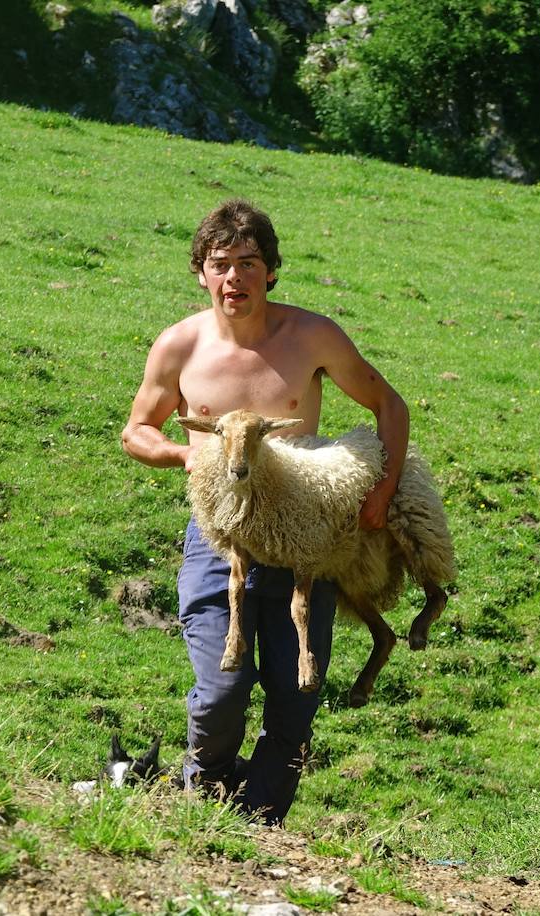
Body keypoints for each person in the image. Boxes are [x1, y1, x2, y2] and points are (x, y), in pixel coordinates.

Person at [120, 198, 409, 825]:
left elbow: (389, 406)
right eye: (221, 264)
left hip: (306, 540)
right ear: (201, 272)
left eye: (249, 263)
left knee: (294, 699)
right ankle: (206, 793)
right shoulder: (180, 346)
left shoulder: (312, 336)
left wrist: (380, 496)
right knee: (222, 689)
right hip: (219, 541)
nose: (235, 278)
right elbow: (136, 430)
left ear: (271, 270)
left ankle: (260, 828)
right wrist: (182, 455)